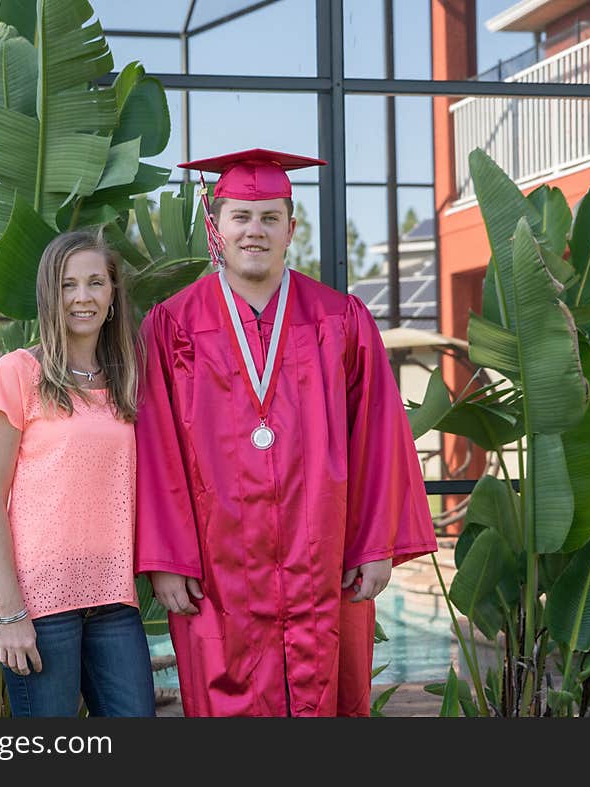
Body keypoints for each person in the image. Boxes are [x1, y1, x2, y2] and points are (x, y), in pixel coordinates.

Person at [135, 148, 437, 717]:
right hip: (216, 564)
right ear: (215, 225)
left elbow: (378, 436)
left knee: (324, 692)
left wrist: (375, 547)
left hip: (322, 561)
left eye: (270, 217)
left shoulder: (339, 318)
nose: (256, 231)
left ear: (291, 228)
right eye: (242, 217)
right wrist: (167, 558)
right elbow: (156, 449)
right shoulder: (173, 325)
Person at [0, 231, 155, 717]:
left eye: (96, 282)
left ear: (113, 294)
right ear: (48, 295)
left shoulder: (128, 379)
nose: (82, 297)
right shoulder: (16, 374)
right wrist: (11, 613)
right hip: (38, 605)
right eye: (67, 284)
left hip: (114, 600)